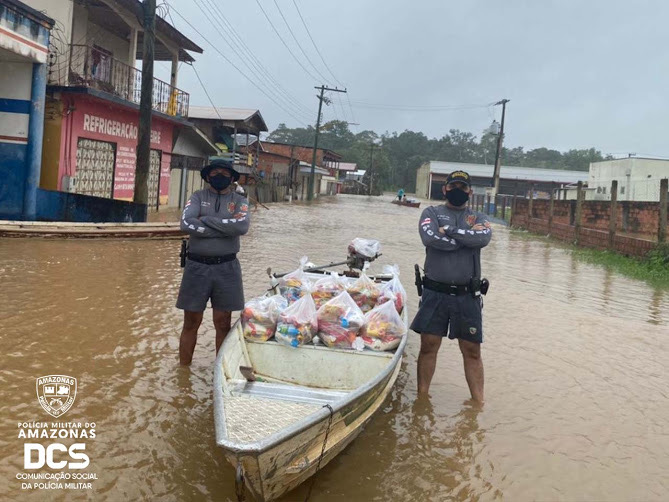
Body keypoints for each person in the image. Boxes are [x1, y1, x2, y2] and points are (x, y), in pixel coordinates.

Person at [410, 170, 492, 404]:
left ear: (470, 192)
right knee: (428, 345)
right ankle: (422, 400)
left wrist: (452, 232)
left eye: (463, 187)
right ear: (445, 189)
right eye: (453, 186)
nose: (458, 190)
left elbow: (483, 238)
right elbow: (430, 239)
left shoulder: (478, 218)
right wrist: (465, 240)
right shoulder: (431, 213)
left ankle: (478, 404)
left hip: (467, 296)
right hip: (435, 293)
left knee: (472, 350)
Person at [176, 159, 250, 365]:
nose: (220, 176)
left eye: (225, 173)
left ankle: (221, 371)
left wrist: (206, 220)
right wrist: (223, 228)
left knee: (223, 323)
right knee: (191, 322)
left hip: (227, 269)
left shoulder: (240, 201)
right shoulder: (197, 197)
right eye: (215, 172)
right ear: (208, 176)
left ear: (232, 178)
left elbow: (241, 226)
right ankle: (183, 372)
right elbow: (186, 223)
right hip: (196, 268)